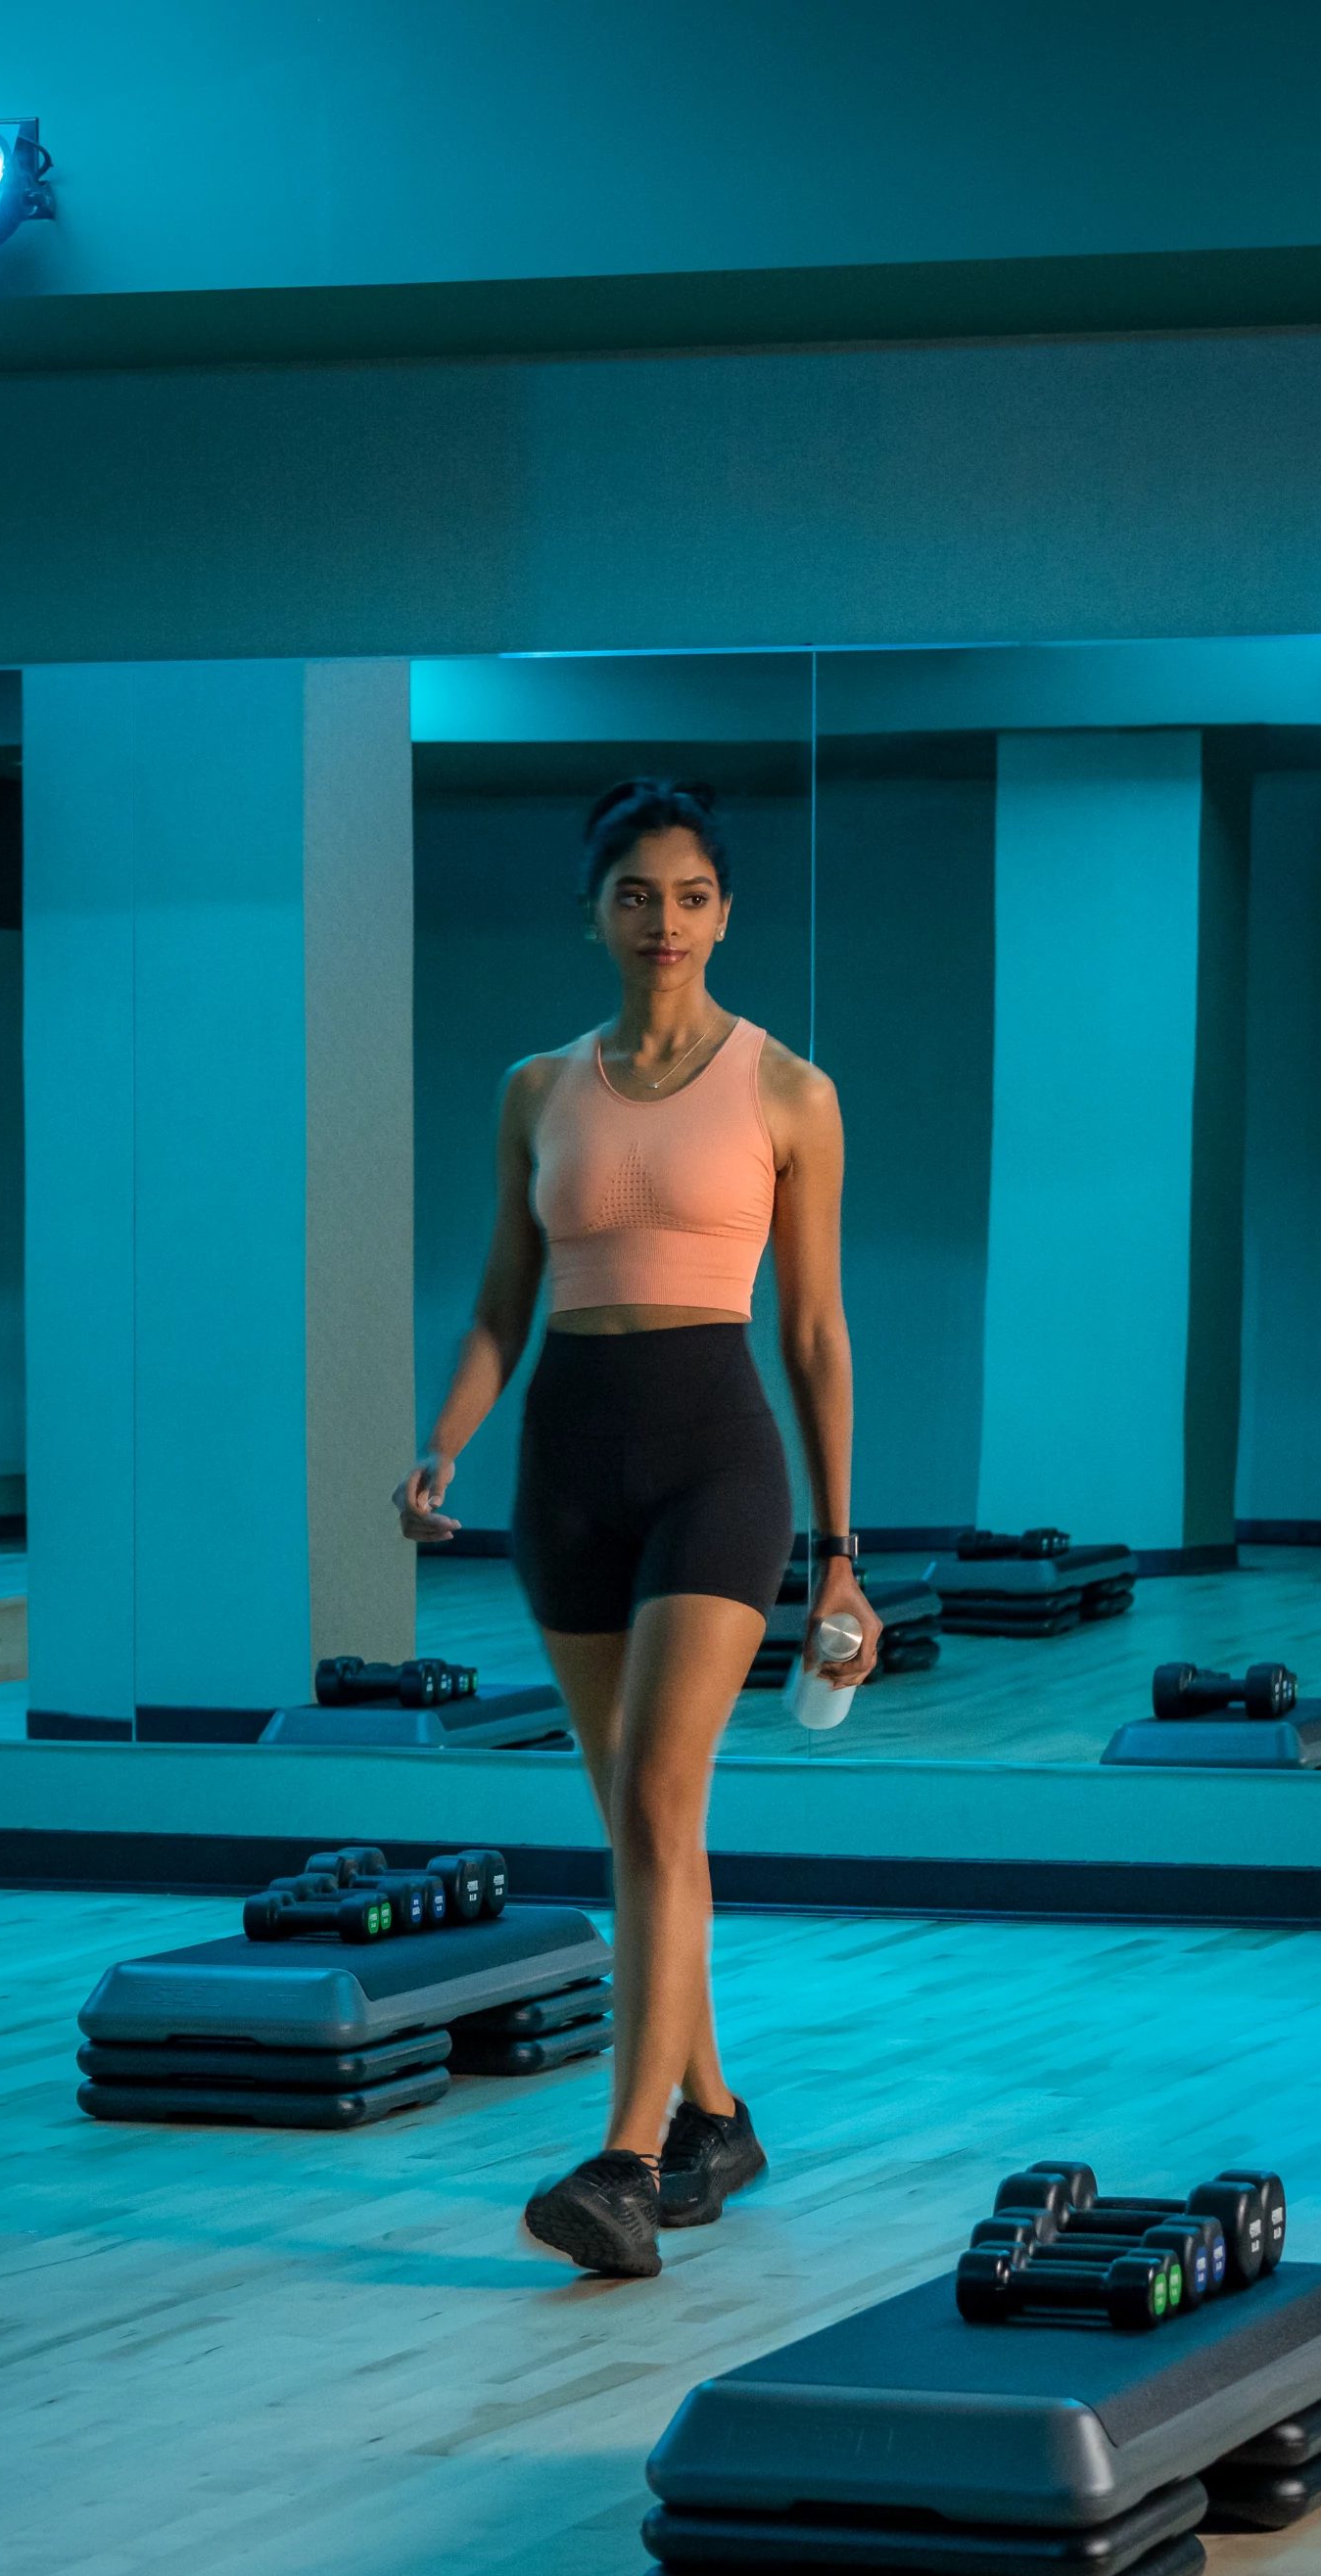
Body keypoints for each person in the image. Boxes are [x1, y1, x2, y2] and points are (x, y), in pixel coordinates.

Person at [399, 779, 872, 2279]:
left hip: (717, 1461)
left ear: (725, 914)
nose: (661, 922)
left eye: (688, 896)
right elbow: (497, 1304)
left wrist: (843, 1548)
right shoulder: (539, 1088)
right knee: (637, 1822)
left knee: (665, 1796)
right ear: (595, 912)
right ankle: (718, 2112)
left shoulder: (790, 1090)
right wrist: (443, 1441)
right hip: (567, 1463)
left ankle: (625, 2160)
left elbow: (812, 1329)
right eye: (634, 895)